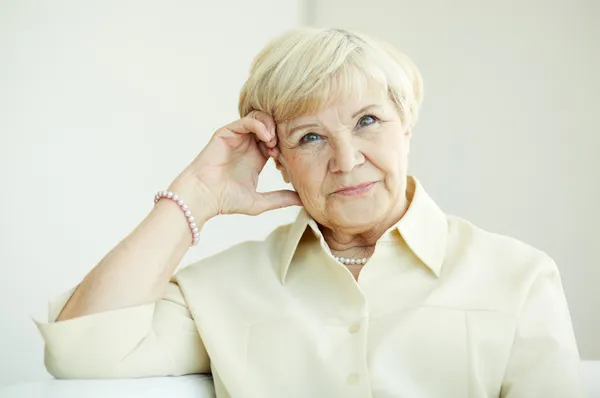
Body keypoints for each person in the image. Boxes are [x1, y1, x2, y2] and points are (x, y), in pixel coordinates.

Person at [35, 27, 583, 398]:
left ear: (406, 124)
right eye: (311, 136)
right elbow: (82, 347)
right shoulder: (222, 289)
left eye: (367, 120)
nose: (346, 161)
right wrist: (197, 195)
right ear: (278, 161)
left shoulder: (519, 277)